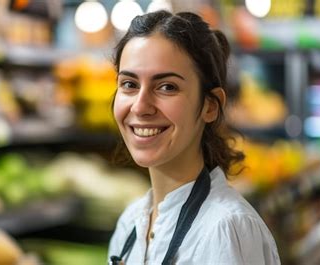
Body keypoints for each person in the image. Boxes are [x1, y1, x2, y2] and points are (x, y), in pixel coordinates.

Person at [108, 10, 281, 265]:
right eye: (129, 84)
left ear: (210, 106)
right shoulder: (130, 224)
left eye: (167, 87)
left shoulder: (226, 229)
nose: (139, 106)